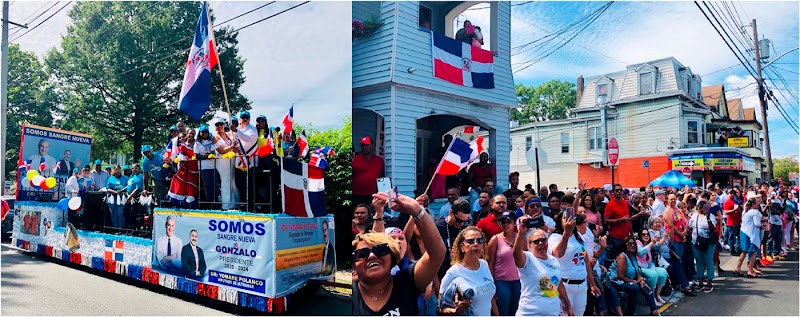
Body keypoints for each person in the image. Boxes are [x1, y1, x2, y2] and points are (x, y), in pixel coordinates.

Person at [352, 192, 445, 316]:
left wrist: (417, 211)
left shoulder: (407, 282)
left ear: (393, 258)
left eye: (380, 250)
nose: (372, 256)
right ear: (354, 265)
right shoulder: (350, 295)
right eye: (362, 254)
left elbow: (437, 254)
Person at [548, 212, 600, 316]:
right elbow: (558, 254)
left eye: (571, 216)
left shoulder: (578, 236)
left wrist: (592, 284)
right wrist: (566, 235)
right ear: (560, 221)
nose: (569, 219)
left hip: (581, 286)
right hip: (564, 286)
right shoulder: (555, 237)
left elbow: (585, 260)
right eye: (565, 217)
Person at [438, 226, 497, 316]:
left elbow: (490, 298)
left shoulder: (484, 265)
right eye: (470, 241)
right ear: (462, 247)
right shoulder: (453, 272)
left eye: (480, 241)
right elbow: (440, 308)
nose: (476, 244)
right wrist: (456, 310)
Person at [513, 227, 572, 316]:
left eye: (543, 240)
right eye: (536, 241)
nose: (541, 243)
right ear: (530, 245)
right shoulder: (527, 258)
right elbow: (516, 254)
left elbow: (559, 285)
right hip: (530, 313)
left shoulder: (554, 261)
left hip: (552, 313)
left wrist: (568, 306)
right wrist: (521, 233)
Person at [612, 235, 661, 316]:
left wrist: (640, 278)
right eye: (629, 243)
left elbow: (637, 271)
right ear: (625, 245)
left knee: (646, 283)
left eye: (634, 244)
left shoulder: (633, 256)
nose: (632, 245)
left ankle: (653, 310)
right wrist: (634, 281)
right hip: (617, 281)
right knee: (634, 287)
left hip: (629, 280)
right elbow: (620, 276)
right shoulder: (622, 256)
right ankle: (630, 312)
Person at [486, 211, 520, 316]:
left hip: (518, 281)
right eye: (503, 222)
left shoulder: (519, 237)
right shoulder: (495, 239)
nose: (506, 224)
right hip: (501, 282)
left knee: (516, 311)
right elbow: (490, 263)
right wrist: (491, 284)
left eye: (509, 222)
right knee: (503, 312)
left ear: (514, 223)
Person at [436, 199, 472, 280]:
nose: (461, 224)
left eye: (465, 221)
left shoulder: (465, 229)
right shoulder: (438, 228)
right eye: (459, 220)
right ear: (451, 212)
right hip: (441, 273)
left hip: (461, 274)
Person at [688, 200, 718, 292]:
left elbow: (713, 228)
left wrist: (708, 217)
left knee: (709, 262)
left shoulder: (711, 216)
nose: (703, 209)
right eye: (702, 207)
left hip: (708, 243)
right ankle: (700, 282)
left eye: (706, 207)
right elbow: (690, 227)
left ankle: (709, 282)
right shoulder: (694, 216)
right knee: (699, 261)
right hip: (696, 242)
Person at [635, 229, 669, 304]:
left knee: (663, 272)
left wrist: (664, 237)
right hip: (640, 268)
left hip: (648, 267)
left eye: (647, 234)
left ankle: (657, 295)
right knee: (653, 275)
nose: (646, 236)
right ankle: (652, 297)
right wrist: (652, 243)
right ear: (640, 236)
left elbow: (650, 262)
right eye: (643, 234)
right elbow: (640, 253)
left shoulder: (649, 244)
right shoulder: (638, 243)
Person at [234, 110, 258, 212]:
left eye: (246, 118)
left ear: (249, 119)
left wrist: (236, 131)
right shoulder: (237, 129)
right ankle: (243, 205)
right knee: (240, 185)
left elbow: (248, 139)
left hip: (250, 162)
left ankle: (251, 207)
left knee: (250, 186)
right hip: (238, 162)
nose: (244, 120)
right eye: (242, 118)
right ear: (239, 119)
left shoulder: (252, 129)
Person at [167, 132, 199, 208]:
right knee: (179, 182)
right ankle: (182, 205)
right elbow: (181, 160)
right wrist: (178, 172)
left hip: (195, 170)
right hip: (186, 170)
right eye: (190, 133)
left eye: (193, 134)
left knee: (192, 188)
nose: (191, 135)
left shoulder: (196, 144)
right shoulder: (182, 146)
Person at [212, 118, 239, 210]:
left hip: (231, 160)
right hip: (222, 161)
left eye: (221, 124)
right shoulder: (215, 137)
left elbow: (236, 144)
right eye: (217, 125)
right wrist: (232, 147)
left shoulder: (229, 134)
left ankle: (235, 203)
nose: (219, 126)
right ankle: (226, 205)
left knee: (233, 182)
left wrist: (235, 147)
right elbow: (221, 150)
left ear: (224, 125)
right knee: (226, 182)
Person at [735, 192, 763, 278]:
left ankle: (738, 268)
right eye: (757, 199)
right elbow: (757, 224)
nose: (759, 200)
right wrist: (764, 226)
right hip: (751, 235)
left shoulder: (746, 211)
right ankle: (750, 270)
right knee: (753, 252)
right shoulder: (754, 212)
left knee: (744, 252)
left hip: (744, 232)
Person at [352, 136, 385, 208]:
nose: (364, 147)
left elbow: (382, 176)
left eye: (367, 145)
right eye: (362, 145)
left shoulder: (379, 160)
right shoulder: (355, 160)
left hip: (374, 194)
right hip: (357, 195)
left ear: (372, 146)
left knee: (372, 215)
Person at [194, 124, 221, 206]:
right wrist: (206, 156)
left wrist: (212, 155)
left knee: (215, 184)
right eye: (203, 132)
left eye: (206, 132)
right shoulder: (197, 143)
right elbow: (197, 156)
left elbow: (216, 149)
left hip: (213, 166)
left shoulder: (211, 140)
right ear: (200, 133)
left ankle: (216, 201)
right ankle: (210, 203)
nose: (205, 134)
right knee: (208, 185)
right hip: (204, 167)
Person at [604, 184, 631, 259]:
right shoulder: (610, 205)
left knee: (626, 259)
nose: (619, 192)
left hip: (626, 237)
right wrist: (619, 220)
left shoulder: (625, 203)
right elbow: (606, 220)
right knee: (616, 259)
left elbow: (628, 219)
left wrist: (631, 233)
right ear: (613, 192)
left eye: (620, 190)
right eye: (617, 190)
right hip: (616, 238)